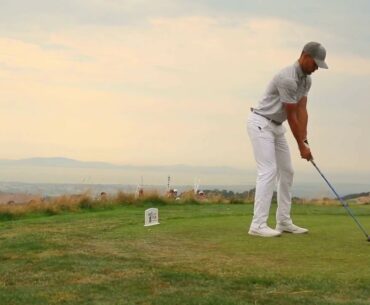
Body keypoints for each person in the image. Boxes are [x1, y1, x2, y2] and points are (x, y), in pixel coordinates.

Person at [247, 42, 328, 237]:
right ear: (304, 56)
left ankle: (283, 221)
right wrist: (301, 146)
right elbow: (292, 116)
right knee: (268, 170)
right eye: (315, 63)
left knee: (287, 171)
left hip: (276, 127)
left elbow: (302, 110)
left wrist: (305, 140)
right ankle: (257, 225)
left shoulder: (306, 81)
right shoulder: (287, 78)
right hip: (261, 123)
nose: (316, 68)